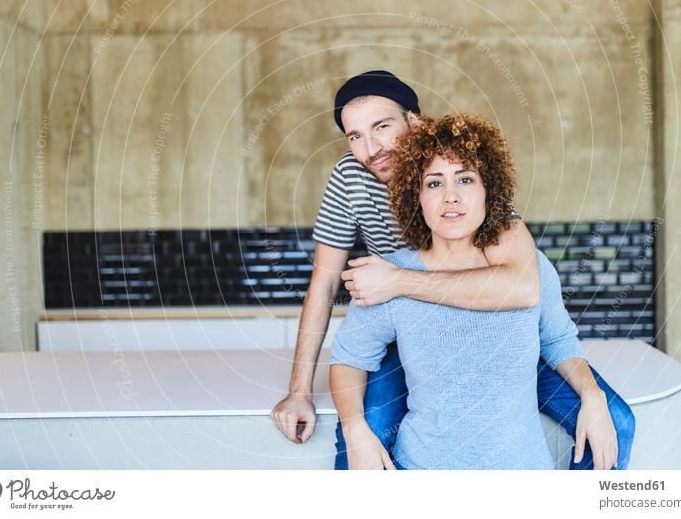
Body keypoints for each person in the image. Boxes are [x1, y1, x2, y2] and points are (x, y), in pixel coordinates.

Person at [271, 71, 635, 470]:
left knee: (615, 420)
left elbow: (523, 286)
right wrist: (299, 390)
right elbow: (323, 284)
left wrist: (397, 281)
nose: (372, 149)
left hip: (494, 333)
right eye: (355, 136)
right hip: (411, 334)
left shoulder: (459, 168)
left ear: (416, 121)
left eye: (382, 127)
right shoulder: (350, 176)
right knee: (365, 424)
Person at [330, 113, 615, 469]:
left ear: (488, 191)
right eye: (434, 184)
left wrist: (593, 395)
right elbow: (348, 357)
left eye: (465, 179)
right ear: (415, 196)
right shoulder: (391, 273)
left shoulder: (531, 266)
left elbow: (558, 339)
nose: (450, 197)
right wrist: (354, 427)